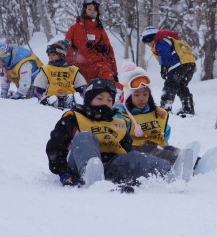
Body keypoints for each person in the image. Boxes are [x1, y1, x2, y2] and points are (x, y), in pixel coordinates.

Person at [45, 78, 189, 189]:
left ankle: (169, 174)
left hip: (109, 165)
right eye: (99, 98)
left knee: (136, 157)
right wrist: (64, 173)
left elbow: (127, 149)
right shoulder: (74, 117)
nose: (105, 103)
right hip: (78, 163)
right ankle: (89, 172)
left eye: (109, 100)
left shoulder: (117, 122)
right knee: (84, 137)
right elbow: (55, 147)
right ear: (89, 100)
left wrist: (130, 166)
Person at [140, 26, 196, 117]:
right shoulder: (171, 40)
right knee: (181, 86)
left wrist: (164, 67)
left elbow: (164, 54)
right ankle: (188, 108)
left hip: (178, 65)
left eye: (148, 42)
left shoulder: (161, 41)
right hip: (190, 64)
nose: (148, 45)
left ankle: (165, 108)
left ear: (152, 38)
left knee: (170, 86)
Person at [65, 0, 118, 84]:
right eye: (90, 9)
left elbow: (109, 51)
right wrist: (72, 65)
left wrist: (114, 72)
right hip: (79, 68)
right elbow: (67, 47)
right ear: (84, 10)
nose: (92, 11)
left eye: (95, 10)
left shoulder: (100, 29)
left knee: (111, 88)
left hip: (100, 67)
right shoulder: (75, 27)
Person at [31, 40, 87, 109]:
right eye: (49, 55)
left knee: (74, 98)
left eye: (53, 54)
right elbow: (38, 88)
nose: (50, 57)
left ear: (61, 55)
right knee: (51, 99)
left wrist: (82, 97)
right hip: (51, 96)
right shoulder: (46, 69)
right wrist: (41, 98)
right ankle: (54, 101)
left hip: (69, 94)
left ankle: (69, 101)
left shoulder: (72, 70)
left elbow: (82, 87)